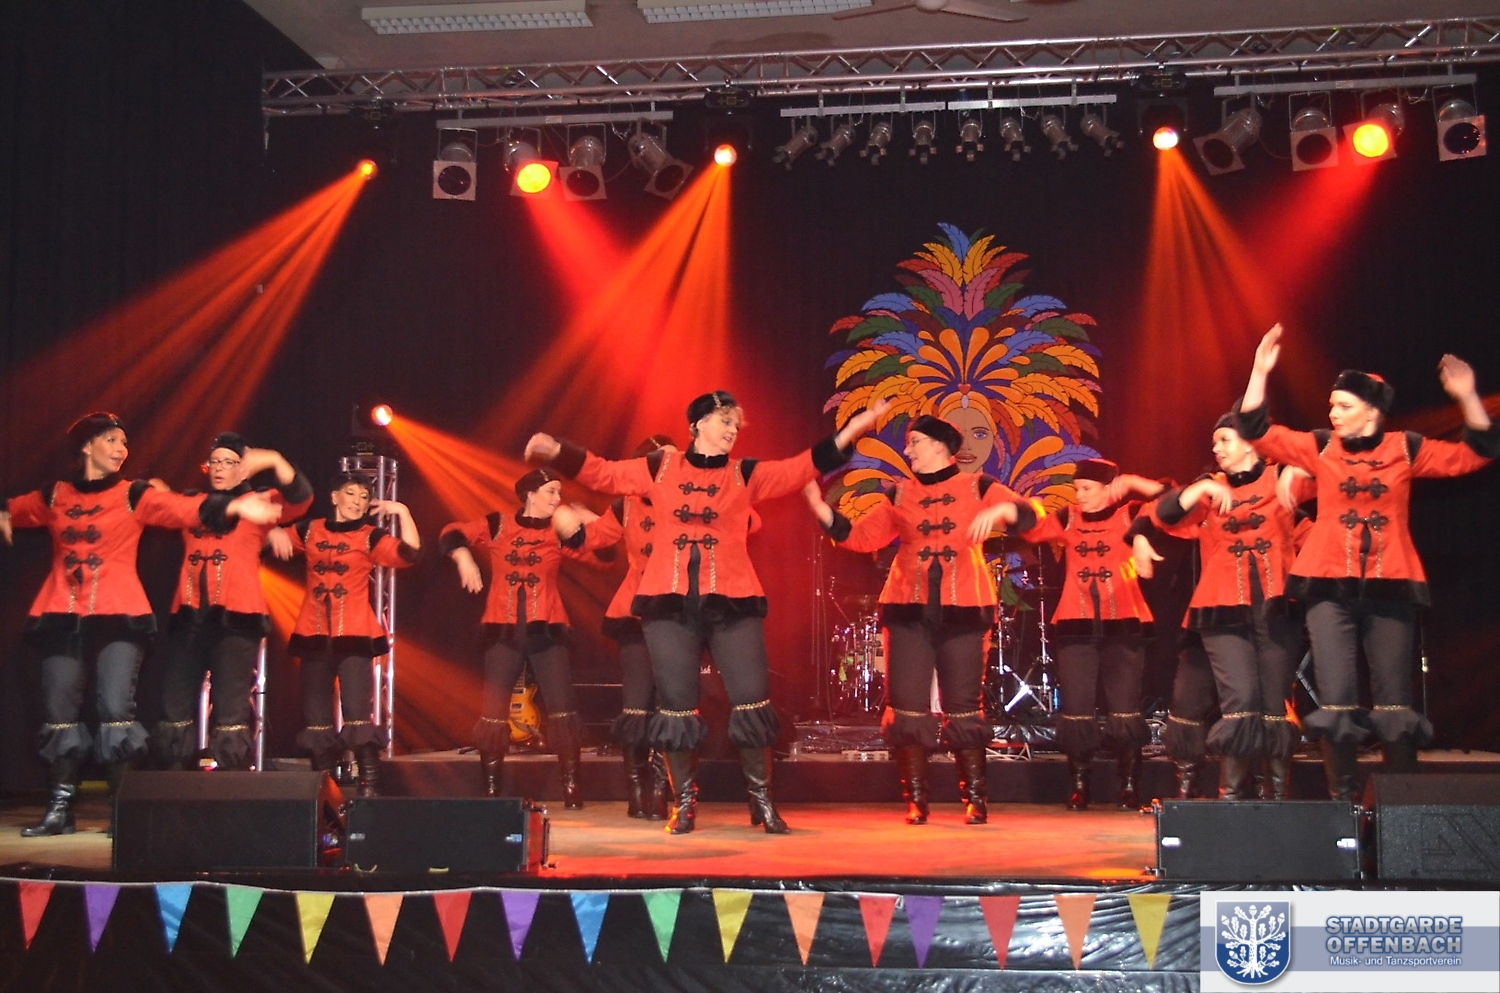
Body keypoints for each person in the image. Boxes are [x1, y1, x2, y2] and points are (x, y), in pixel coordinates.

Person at [525, 391, 885, 834]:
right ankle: (684, 804)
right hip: (668, 603)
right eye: (723, 420)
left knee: (752, 699)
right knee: (677, 706)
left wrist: (850, 431)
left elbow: (799, 468)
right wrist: (557, 451)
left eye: (735, 423)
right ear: (696, 425)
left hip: (732, 600)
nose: (732, 429)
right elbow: (604, 472)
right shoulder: (659, 467)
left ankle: (762, 802)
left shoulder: (745, 473)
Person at [1234, 324, 1497, 799]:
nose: (1332, 413)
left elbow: (1475, 455)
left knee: (1394, 700)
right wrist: (1259, 370)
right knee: (1336, 697)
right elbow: (1256, 428)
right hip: (1327, 586)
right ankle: (1345, 805)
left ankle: (1402, 808)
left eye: (1343, 406)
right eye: (1332, 405)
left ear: (1372, 411)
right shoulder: (1320, 446)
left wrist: (1467, 396)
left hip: (1390, 583)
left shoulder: (1405, 448)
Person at [1, 413, 281, 836]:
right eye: (111, 440)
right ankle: (60, 807)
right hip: (60, 612)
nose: (121, 449)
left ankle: (123, 811)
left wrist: (234, 504)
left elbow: (182, 508)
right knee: (59, 709)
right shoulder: (55, 494)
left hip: (120, 615)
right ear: (87, 446)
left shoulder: (134, 494)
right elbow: (17, 507)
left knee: (115, 710)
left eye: (123, 442)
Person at [802, 415, 1023, 825]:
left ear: (939, 445)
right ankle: (917, 799)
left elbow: (1033, 515)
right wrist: (820, 508)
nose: (908, 450)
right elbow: (862, 537)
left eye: (915, 441)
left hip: (964, 608)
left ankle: (976, 798)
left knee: (963, 707)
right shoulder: (899, 493)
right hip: (907, 609)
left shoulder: (980, 486)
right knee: (906, 707)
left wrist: (1007, 507)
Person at [1151, 415, 1310, 801]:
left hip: (1275, 608)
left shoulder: (1281, 477)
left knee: (1274, 703)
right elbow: (1163, 515)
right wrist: (1201, 486)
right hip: (1222, 609)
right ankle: (1231, 798)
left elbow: (1331, 468)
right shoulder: (1212, 489)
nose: (1216, 448)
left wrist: (1297, 466)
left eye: (1224, 439)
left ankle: (1275, 799)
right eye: (1214, 441)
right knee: (1239, 700)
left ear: (1251, 442)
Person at [439, 468, 614, 806]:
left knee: (562, 706)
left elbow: (604, 557)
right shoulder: (499, 524)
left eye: (559, 492)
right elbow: (452, 532)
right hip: (503, 628)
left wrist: (588, 520)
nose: (557, 499)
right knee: (493, 710)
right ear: (530, 494)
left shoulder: (558, 532)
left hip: (547, 627)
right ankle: (491, 788)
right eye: (551, 491)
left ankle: (571, 787)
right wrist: (463, 557)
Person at [1010, 458, 1165, 810]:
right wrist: (1019, 507)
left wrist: (1133, 481)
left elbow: (1172, 500)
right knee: (1077, 709)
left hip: (1124, 621)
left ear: (1108, 488)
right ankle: (1080, 784)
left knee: (1124, 709)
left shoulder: (1131, 514)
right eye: (1076, 489)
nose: (1079, 496)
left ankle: (1129, 784)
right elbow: (1032, 530)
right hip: (1075, 623)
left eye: (1086, 489)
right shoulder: (1068, 517)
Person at [153, 433, 313, 771]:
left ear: (244, 468)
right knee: (175, 702)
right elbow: (157, 504)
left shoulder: (259, 501)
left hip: (237, 617)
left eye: (229, 462)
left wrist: (273, 458)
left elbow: (300, 498)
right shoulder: (193, 502)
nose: (220, 468)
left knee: (230, 707)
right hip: (190, 615)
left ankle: (230, 780)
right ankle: (174, 780)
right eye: (215, 462)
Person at [269, 471, 419, 797]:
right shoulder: (310, 530)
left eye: (364, 497)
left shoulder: (370, 537)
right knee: (316, 720)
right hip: (313, 633)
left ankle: (369, 789)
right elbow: (267, 539)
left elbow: (409, 553)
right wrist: (273, 531)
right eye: (351, 494)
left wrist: (402, 512)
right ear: (335, 496)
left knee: (357, 715)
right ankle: (325, 794)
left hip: (354, 634)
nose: (358, 502)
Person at [580, 434, 678, 820]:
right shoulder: (625, 505)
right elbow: (592, 539)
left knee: (672, 702)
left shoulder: (689, 498)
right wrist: (570, 524)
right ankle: (636, 791)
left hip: (677, 611)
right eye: (664, 460)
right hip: (635, 611)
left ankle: (660, 789)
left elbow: (742, 522)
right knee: (637, 703)